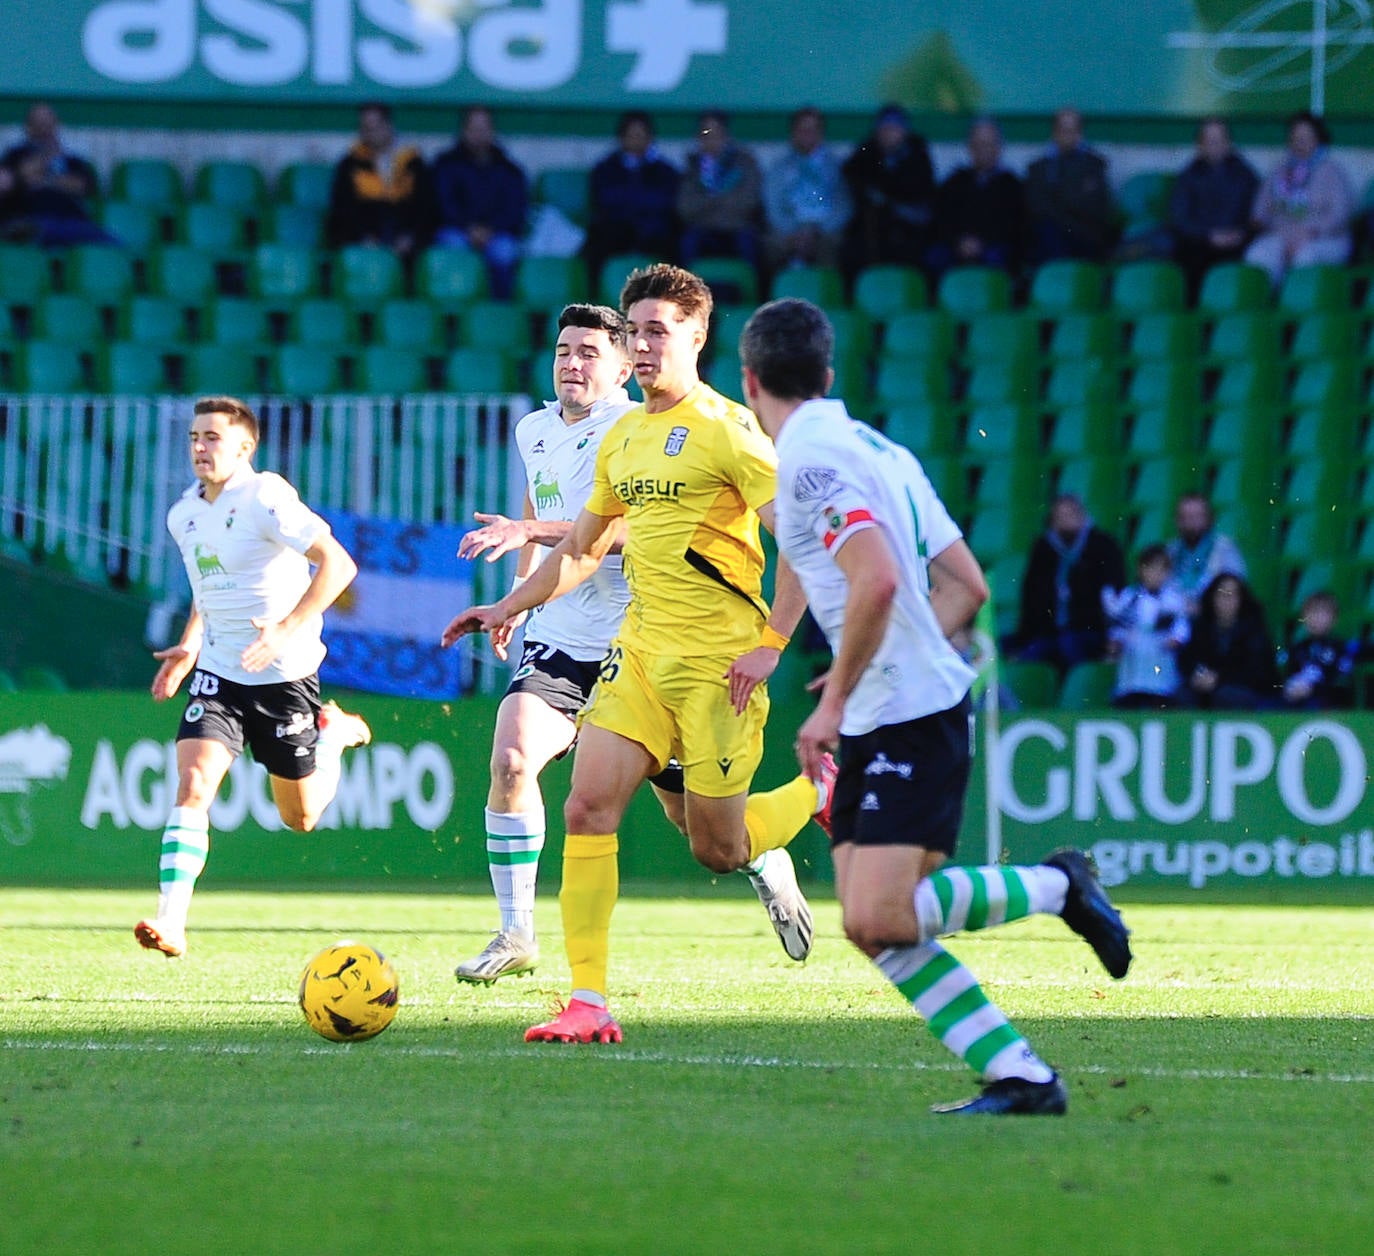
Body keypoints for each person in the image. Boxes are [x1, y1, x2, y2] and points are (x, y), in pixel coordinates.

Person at [738, 296, 1131, 1116]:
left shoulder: (809, 462)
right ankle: (1020, 1077)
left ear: (749, 383)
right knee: (872, 921)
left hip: (907, 714)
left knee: (880, 915)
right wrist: (877, 660)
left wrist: (836, 692)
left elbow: (877, 578)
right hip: (898, 705)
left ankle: (1059, 889)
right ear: (827, 373)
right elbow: (967, 587)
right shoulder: (880, 448)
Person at [442, 264, 834, 1044]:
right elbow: (585, 547)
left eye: (657, 331)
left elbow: (802, 537)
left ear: (696, 337)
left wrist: (771, 645)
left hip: (718, 666)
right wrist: (509, 603)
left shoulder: (730, 431)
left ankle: (814, 797)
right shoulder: (624, 434)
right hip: (639, 654)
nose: (642, 345)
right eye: (635, 331)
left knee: (716, 849)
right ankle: (587, 1000)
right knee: (586, 806)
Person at [449, 303, 651, 983]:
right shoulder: (532, 427)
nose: (572, 362)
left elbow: (630, 533)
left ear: (624, 367)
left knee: (707, 832)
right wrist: (517, 597)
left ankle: (760, 857)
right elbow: (537, 510)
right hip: (558, 635)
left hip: (637, 644)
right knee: (510, 760)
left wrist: (531, 539)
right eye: (564, 350)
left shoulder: (637, 428)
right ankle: (515, 934)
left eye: (590, 353)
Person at [134, 397, 373, 958]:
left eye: (213, 437)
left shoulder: (266, 496)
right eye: (195, 437)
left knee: (301, 817)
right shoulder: (183, 514)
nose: (200, 447)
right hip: (219, 672)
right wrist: (191, 646)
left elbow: (339, 565)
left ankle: (334, 735)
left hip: (285, 675)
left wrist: (287, 628)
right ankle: (172, 921)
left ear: (245, 447)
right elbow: (208, 585)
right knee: (193, 786)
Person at [1009, 493, 1126, 671]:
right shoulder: (1043, 549)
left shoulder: (1103, 545)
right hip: (1050, 632)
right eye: (1060, 516)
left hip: (1090, 631)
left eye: (1070, 515)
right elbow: (1031, 598)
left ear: (1082, 515)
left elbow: (1114, 596)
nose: (1065, 521)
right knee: (1021, 656)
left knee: (1068, 646)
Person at [1245, 111, 1353, 287]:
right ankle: (1264, 308)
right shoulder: (1280, 170)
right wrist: (1264, 224)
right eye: (1295, 138)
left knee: (1305, 257)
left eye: (1306, 138)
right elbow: (1260, 210)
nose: (1300, 143)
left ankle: (1300, 307)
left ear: (1318, 140)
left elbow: (1340, 215)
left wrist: (1309, 232)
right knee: (1257, 254)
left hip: (1324, 239)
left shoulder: (1331, 172)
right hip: (1282, 236)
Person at [432, 105, 529, 300]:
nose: (479, 134)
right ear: (464, 131)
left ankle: (499, 310)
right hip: (458, 231)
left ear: (492, 131)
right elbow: (441, 204)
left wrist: (490, 230)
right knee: (452, 248)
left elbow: (515, 210)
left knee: (505, 252)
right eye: (474, 129)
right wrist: (469, 229)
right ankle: (455, 312)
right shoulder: (446, 164)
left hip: (496, 234)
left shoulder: (509, 169)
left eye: (484, 129)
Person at [583, 111, 680, 292]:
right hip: (615, 228)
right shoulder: (605, 168)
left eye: (641, 135)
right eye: (631, 135)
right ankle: (595, 295)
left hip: (653, 231)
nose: (636, 140)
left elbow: (664, 202)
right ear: (621, 137)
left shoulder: (665, 171)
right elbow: (605, 200)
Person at [0, 102, 119, 247]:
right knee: (31, 230)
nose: (44, 129)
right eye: (38, 123)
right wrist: (46, 157)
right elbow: (17, 177)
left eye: (48, 123)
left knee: (113, 245)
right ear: (28, 127)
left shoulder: (72, 159)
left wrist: (44, 179)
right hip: (31, 218)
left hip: (73, 221)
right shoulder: (15, 154)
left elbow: (83, 186)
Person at [1168, 117, 1260, 298]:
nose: (1215, 146)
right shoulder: (1188, 177)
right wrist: (1209, 236)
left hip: (1237, 243)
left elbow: (1258, 215)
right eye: (1209, 141)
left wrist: (1240, 233)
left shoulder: (1246, 176)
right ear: (1200, 145)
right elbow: (1180, 219)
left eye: (1219, 140)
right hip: (1200, 244)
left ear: (1228, 143)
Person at [841, 104, 936, 275]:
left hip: (910, 229)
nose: (889, 134)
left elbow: (919, 192)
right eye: (885, 129)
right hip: (872, 229)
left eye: (894, 128)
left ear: (904, 132)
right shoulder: (866, 152)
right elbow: (851, 173)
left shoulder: (918, 154)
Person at [326, 102, 431, 257]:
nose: (370, 134)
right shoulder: (350, 163)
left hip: (406, 242)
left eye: (374, 127)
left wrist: (410, 237)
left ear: (388, 125)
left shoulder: (412, 162)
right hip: (364, 240)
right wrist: (363, 237)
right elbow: (343, 208)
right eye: (365, 128)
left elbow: (425, 207)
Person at [928, 117, 1025, 277]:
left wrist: (983, 243)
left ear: (999, 147)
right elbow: (941, 219)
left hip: (995, 248)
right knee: (934, 258)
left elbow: (1016, 227)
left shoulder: (1012, 185)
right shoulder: (954, 182)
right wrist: (959, 242)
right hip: (956, 247)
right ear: (970, 147)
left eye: (988, 144)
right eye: (978, 144)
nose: (983, 150)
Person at [676, 109, 764, 277]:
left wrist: (710, 201)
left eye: (716, 134)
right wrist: (720, 201)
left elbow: (749, 203)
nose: (711, 141)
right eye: (706, 135)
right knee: (688, 242)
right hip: (702, 231)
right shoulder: (692, 167)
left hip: (737, 229)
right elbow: (685, 208)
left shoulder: (745, 163)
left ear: (726, 136)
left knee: (749, 243)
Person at [764, 106, 852, 272]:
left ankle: (826, 293)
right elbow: (772, 206)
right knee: (770, 246)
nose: (807, 135)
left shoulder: (836, 167)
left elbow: (843, 207)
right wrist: (793, 232)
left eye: (812, 129)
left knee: (832, 247)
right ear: (793, 132)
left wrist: (816, 232)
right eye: (802, 129)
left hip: (824, 231)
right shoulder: (779, 168)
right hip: (789, 230)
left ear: (821, 133)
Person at [1102, 544, 1190, 708]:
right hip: (1133, 666)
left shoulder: (1174, 600)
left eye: (1161, 569)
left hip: (1161, 666)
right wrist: (1115, 643)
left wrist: (1175, 641)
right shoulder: (1129, 597)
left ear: (1168, 572)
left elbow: (1181, 629)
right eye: (1151, 568)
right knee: (1130, 702)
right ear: (1141, 570)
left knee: (1159, 703)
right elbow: (1118, 627)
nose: (1155, 574)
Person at [1025, 107, 1115, 263]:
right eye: (1063, 130)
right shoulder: (1038, 168)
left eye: (1072, 130)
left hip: (1085, 237)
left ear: (1080, 133)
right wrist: (1074, 197)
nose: (1068, 136)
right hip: (1051, 236)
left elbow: (1097, 208)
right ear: (1054, 132)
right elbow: (1035, 206)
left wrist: (1058, 200)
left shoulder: (1095, 165)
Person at [1177, 573, 1280, 710]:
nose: (1226, 600)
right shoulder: (1201, 626)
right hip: (1206, 687)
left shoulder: (1255, 630)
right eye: (1222, 594)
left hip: (1244, 689)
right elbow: (1188, 658)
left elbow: (1258, 671)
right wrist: (1197, 675)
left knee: (1226, 696)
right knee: (1183, 695)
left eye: (1232, 595)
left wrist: (1219, 679)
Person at [1165, 492, 1247, 613]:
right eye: (1185, 517)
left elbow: (1235, 589)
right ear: (1177, 520)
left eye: (1197, 516)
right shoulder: (1170, 550)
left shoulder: (1225, 548)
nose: (1191, 523)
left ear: (1209, 519)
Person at [1279, 591, 1360, 710]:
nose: (1317, 618)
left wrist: (1312, 690)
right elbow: (1289, 676)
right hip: (1296, 701)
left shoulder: (1341, 648)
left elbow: (1340, 684)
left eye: (1323, 613)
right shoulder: (1297, 648)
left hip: (1326, 703)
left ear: (1334, 618)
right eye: (1312, 612)